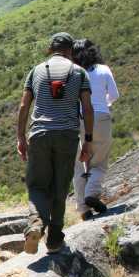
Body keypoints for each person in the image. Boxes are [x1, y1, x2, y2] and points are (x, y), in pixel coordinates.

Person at [16, 32, 94, 254]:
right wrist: (88, 141)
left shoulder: (36, 71)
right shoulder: (79, 73)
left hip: (39, 134)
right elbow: (87, 108)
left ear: (51, 49)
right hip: (67, 136)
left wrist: (21, 137)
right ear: (71, 50)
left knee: (37, 186)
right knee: (60, 187)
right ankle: (54, 239)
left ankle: (35, 223)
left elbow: (24, 106)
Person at [72, 39, 120, 219]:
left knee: (79, 164)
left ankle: (83, 209)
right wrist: (104, 103)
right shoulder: (103, 69)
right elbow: (114, 94)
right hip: (100, 117)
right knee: (99, 161)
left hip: (78, 120)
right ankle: (91, 193)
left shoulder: (73, 74)